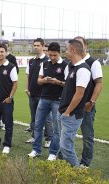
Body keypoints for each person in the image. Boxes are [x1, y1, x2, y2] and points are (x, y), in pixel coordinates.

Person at [28, 42, 67, 160]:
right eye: (50, 55)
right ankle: (36, 150)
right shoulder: (44, 63)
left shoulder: (65, 65)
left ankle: (53, 153)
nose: (52, 57)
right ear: (47, 52)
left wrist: (58, 82)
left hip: (57, 101)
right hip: (43, 98)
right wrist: (45, 80)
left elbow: (68, 85)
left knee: (57, 129)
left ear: (59, 53)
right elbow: (38, 81)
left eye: (55, 55)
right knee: (38, 126)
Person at [58, 39, 91, 167]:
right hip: (63, 112)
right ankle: (63, 172)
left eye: (66, 49)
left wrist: (67, 112)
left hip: (71, 115)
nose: (65, 52)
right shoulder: (72, 66)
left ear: (72, 50)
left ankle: (75, 176)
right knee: (63, 147)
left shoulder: (83, 69)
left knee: (66, 147)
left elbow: (79, 94)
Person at [74, 36, 103, 167]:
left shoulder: (93, 62)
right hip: (72, 106)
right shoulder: (73, 62)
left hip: (86, 107)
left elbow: (99, 83)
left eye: (80, 44)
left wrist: (91, 102)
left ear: (85, 45)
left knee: (87, 136)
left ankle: (85, 162)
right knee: (66, 134)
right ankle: (64, 158)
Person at [25, 38, 53, 147]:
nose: (36, 47)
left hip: (43, 95)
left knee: (46, 119)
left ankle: (49, 139)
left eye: (38, 45)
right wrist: (27, 89)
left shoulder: (47, 61)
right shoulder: (31, 61)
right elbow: (28, 76)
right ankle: (34, 136)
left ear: (42, 46)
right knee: (33, 117)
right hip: (32, 94)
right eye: (35, 45)